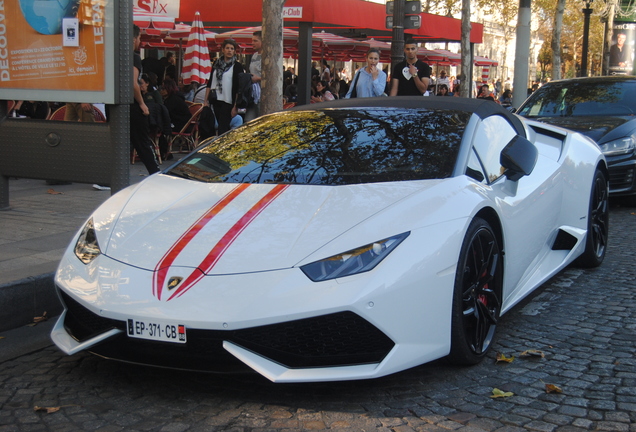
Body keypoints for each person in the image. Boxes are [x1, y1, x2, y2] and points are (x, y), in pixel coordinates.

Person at [131, 24, 160, 175]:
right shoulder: (134, 57)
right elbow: (133, 82)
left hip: (115, 105)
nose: (140, 41)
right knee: (143, 142)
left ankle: (105, 178)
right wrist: (142, 103)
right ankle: (155, 173)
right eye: (139, 38)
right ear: (134, 38)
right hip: (133, 105)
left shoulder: (113, 55)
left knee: (116, 143)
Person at [204, 39, 244, 135]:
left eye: (232, 49)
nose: (229, 51)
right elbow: (210, 82)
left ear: (234, 51)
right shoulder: (216, 64)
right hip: (215, 99)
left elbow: (239, 88)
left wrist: (236, 106)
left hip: (228, 101)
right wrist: (205, 100)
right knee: (217, 125)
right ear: (223, 50)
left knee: (223, 127)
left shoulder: (237, 66)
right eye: (227, 48)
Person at [245, 30, 262, 123]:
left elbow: (273, 77)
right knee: (248, 121)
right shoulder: (254, 55)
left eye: (255, 41)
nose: (253, 43)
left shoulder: (268, 56)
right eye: (252, 40)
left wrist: (258, 78)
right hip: (252, 94)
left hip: (263, 95)